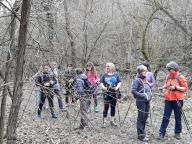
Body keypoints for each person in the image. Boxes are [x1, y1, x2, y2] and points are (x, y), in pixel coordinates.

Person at [158, 61, 188, 140]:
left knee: (178, 117)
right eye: (168, 69)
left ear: (174, 69)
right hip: (168, 99)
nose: (168, 71)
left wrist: (175, 87)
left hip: (178, 100)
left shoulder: (180, 77)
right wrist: (163, 87)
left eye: (169, 69)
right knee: (165, 117)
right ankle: (162, 132)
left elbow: (185, 88)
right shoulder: (168, 76)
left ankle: (177, 133)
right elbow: (167, 84)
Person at [131, 64, 152, 142]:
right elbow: (133, 91)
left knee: (145, 117)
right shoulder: (137, 80)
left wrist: (149, 95)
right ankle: (140, 135)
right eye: (144, 71)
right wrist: (143, 95)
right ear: (140, 72)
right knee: (141, 117)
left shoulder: (145, 79)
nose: (146, 72)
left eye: (146, 71)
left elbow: (148, 89)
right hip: (140, 101)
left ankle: (143, 133)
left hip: (147, 101)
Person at [100, 63, 121, 127]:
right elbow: (101, 83)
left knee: (113, 107)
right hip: (106, 93)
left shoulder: (116, 75)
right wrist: (103, 87)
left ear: (112, 67)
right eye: (106, 66)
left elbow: (119, 82)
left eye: (108, 66)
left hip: (114, 93)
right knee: (106, 107)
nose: (107, 67)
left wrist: (117, 87)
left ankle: (112, 121)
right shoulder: (104, 75)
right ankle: (104, 122)